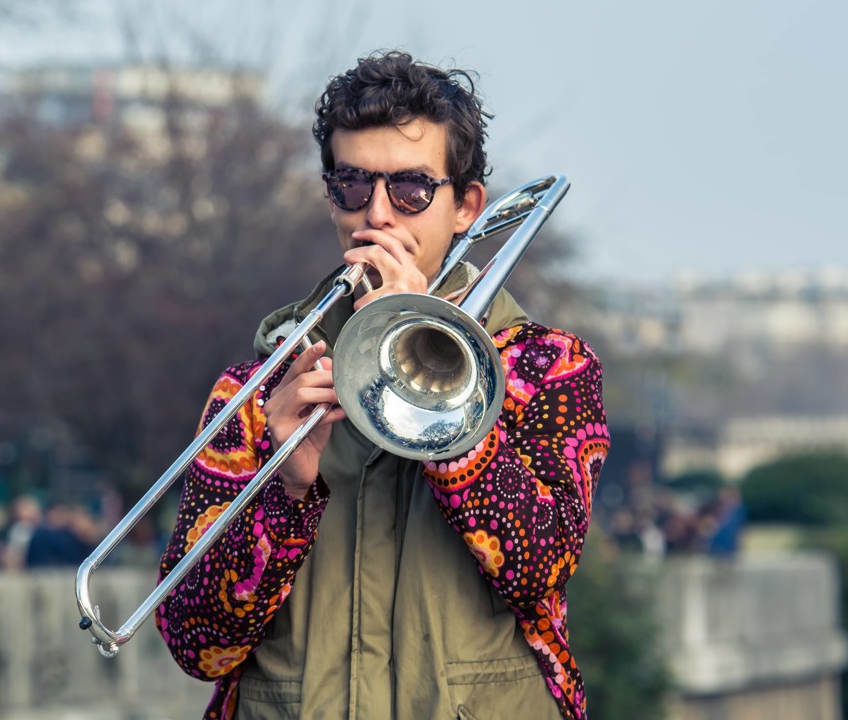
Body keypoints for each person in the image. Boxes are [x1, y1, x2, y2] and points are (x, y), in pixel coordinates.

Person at [156, 51, 609, 720]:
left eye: (411, 189)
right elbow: (198, 644)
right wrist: (285, 487)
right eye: (352, 184)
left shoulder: (549, 366)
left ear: (467, 207)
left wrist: (443, 408)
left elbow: (542, 566)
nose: (378, 213)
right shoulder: (255, 391)